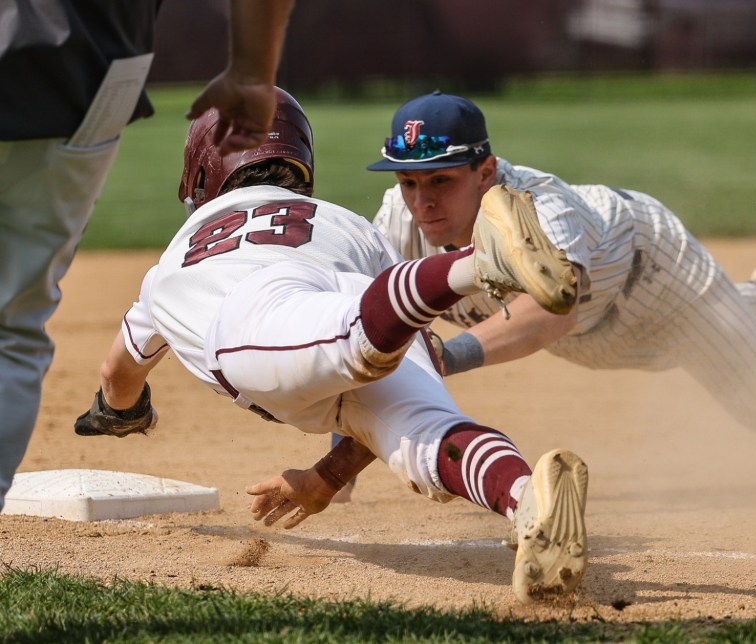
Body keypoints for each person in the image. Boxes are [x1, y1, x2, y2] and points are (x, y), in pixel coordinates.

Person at [72, 88, 588, 604]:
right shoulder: (348, 223)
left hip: (265, 321)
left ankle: (478, 265)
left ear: (202, 170)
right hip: (361, 312)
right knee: (426, 436)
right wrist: (326, 477)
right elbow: (407, 341)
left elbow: (117, 375)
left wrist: (122, 413)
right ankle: (528, 503)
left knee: (354, 344)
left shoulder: (178, 253)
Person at [363, 90, 756, 482]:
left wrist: (451, 356)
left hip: (658, 284)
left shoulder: (540, 209)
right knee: (708, 350)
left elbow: (550, 316)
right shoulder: (396, 224)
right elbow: (362, 326)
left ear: (486, 170)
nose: (421, 201)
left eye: (440, 181)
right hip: (592, 332)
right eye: (408, 182)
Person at [0, 0, 295, 512]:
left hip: (84, 75)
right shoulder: (358, 235)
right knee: (11, 331)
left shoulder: (175, 274)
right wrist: (251, 71)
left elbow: (120, 375)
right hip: (84, 72)